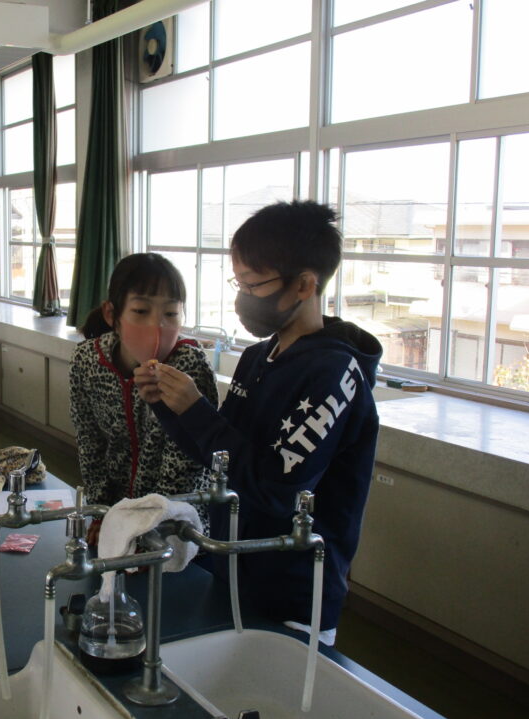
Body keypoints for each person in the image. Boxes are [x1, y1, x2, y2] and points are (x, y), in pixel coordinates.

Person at [135, 201, 383, 645]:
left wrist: (196, 410)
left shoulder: (334, 375)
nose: (243, 297)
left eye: (254, 284)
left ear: (304, 284)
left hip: (293, 594)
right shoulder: (258, 357)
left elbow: (277, 488)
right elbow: (220, 459)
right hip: (234, 564)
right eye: (239, 282)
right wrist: (168, 406)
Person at [68, 253, 218, 544]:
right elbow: (89, 442)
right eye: (140, 311)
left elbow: (184, 463)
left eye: (170, 314)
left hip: (177, 522)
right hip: (115, 513)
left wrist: (145, 526)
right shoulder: (86, 360)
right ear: (112, 314)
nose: (157, 326)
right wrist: (102, 512)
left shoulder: (189, 365)